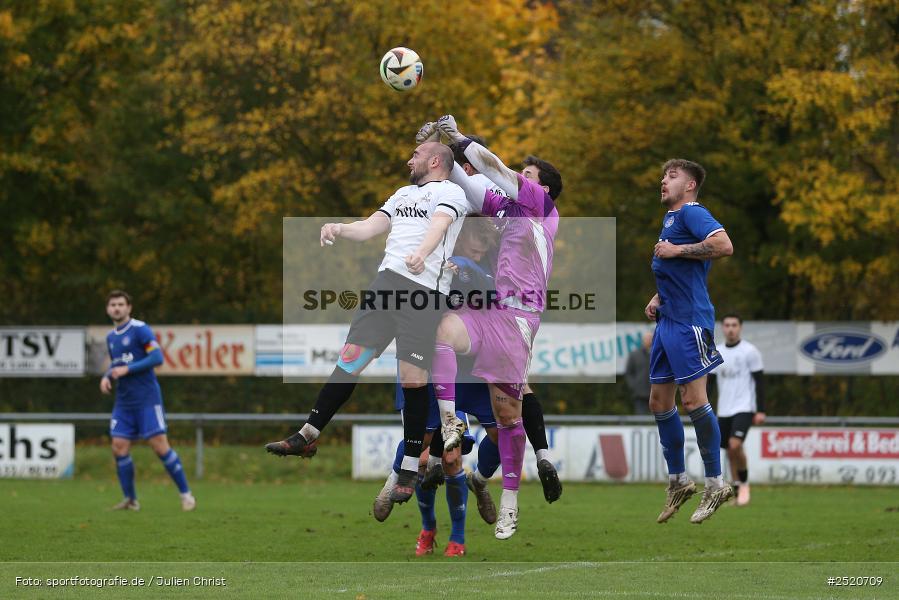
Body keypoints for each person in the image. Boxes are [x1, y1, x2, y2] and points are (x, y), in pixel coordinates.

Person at [265, 142, 473, 505]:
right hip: (387, 283)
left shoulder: (451, 191)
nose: (409, 159)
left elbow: (440, 224)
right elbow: (369, 227)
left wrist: (421, 254)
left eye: (416, 154)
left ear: (436, 160)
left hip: (423, 289)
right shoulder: (402, 193)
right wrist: (339, 228)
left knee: (412, 378)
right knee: (350, 359)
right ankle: (308, 433)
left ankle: (410, 465)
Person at [422, 115, 562, 540]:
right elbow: (473, 185)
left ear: (544, 188)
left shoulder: (540, 204)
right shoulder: (509, 209)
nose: (521, 177)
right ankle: (450, 422)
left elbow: (495, 170)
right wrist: (442, 150)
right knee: (442, 332)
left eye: (529, 174)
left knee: (507, 415)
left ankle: (511, 502)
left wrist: (461, 137)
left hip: (519, 318)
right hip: (493, 308)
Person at [644, 158, 734, 524]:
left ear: (691, 185)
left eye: (672, 175)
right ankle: (679, 480)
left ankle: (716, 483)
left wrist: (677, 251)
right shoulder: (671, 219)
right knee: (658, 401)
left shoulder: (693, 212)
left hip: (690, 323)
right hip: (668, 321)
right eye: (664, 174)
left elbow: (724, 246)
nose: (663, 180)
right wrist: (658, 295)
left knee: (693, 399)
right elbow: (680, 270)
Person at [101, 290, 196, 512]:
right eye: (112, 305)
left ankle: (186, 494)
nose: (116, 308)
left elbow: (157, 357)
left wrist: (128, 369)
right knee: (119, 446)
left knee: (159, 446)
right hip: (124, 402)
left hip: (147, 399)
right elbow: (117, 365)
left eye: (120, 304)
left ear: (129, 307)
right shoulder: (111, 337)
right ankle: (131, 500)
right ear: (108, 309)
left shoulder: (140, 329)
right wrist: (106, 377)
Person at [708, 313, 766, 506]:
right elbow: (710, 384)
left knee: (735, 445)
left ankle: (745, 484)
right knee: (729, 450)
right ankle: (736, 487)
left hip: (744, 407)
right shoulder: (717, 351)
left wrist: (760, 410)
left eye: (734, 325)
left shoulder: (750, 351)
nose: (730, 329)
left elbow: (759, 382)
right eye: (727, 325)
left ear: (740, 327)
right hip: (723, 409)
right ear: (722, 328)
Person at [625, 331, 654, 415]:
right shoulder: (634, 355)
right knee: (641, 418)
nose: (649, 341)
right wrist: (634, 386)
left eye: (650, 339)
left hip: (656, 392)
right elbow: (629, 373)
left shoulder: (657, 354)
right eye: (647, 339)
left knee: (657, 418)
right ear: (642, 340)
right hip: (640, 393)